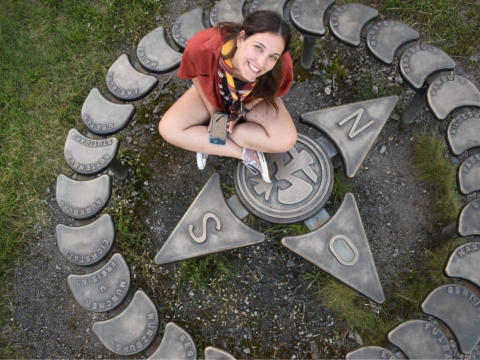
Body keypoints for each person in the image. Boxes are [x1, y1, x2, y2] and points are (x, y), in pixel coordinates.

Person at [158, 10, 297, 183]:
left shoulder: (281, 65)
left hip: (250, 100)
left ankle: (207, 138)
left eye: (272, 56)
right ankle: (244, 153)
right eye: (258, 47)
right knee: (168, 128)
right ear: (241, 38)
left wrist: (239, 113)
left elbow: (269, 92)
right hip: (214, 94)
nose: (261, 63)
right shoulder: (202, 46)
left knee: (285, 140)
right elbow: (195, 75)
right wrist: (216, 114)